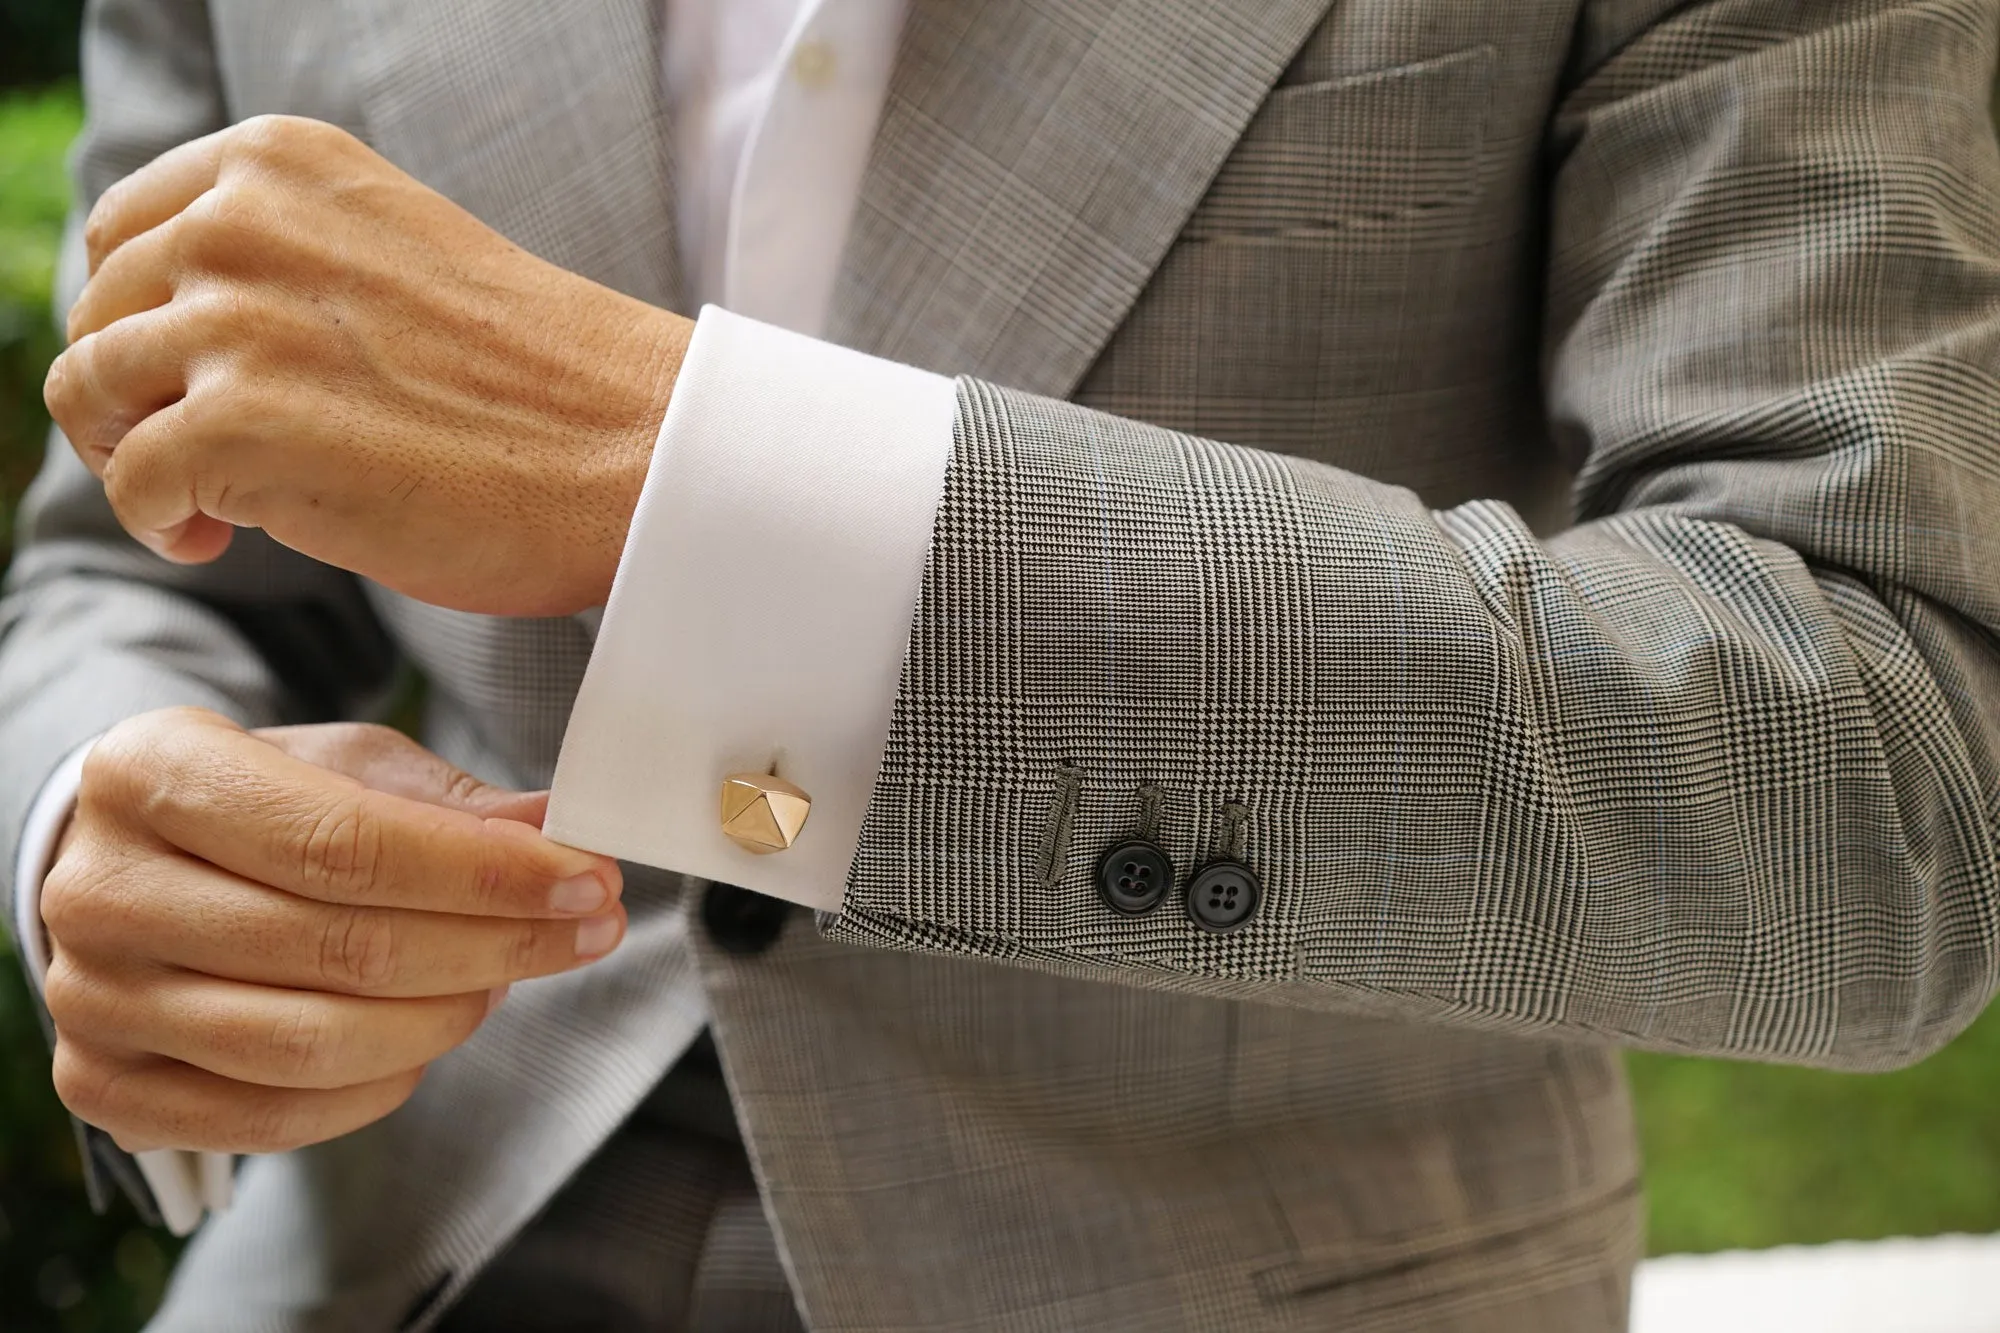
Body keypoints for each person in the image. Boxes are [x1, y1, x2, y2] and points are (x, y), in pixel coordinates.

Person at [6, 0, 2000, 1328]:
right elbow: (136, 554)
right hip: (380, 1253)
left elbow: (1882, 787)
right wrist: (108, 811)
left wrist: (710, 493)